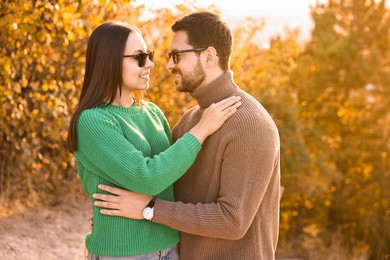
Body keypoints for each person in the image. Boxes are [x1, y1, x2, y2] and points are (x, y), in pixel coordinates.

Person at [93, 12, 281, 259]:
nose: (169, 65)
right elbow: (160, 184)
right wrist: (105, 234)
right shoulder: (190, 120)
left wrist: (150, 209)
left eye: (177, 56)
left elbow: (232, 221)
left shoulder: (251, 125)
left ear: (209, 56)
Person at [67, 21, 241, 259]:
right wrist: (201, 130)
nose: (150, 64)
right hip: (124, 253)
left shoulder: (152, 112)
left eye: (148, 55)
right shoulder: (93, 121)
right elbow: (147, 178)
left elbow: (173, 172)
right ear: (109, 61)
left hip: (171, 246)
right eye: (139, 58)